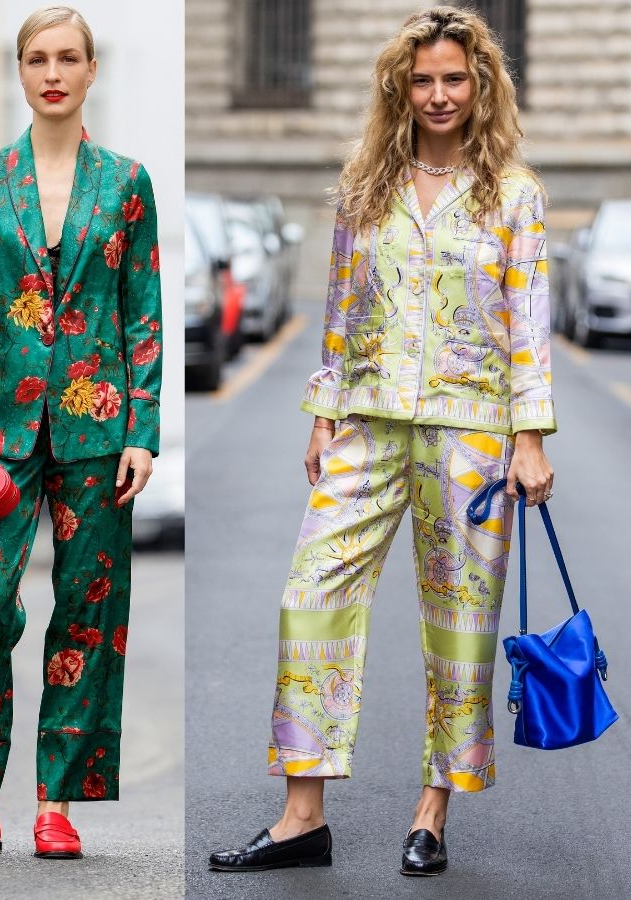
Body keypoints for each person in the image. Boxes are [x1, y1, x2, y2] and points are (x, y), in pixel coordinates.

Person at [208, 5, 554, 877]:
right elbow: (338, 311)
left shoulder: (513, 192)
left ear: (482, 86)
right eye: (424, 78)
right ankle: (302, 816)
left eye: (455, 79)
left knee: (461, 624)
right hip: (367, 419)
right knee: (311, 592)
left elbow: (529, 326)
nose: (438, 95)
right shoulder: (367, 184)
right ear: (401, 85)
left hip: (473, 434)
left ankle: (433, 811)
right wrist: (323, 413)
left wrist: (531, 436)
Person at [0, 4, 162, 862]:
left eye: (68, 58)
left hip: (99, 432)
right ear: (18, 72)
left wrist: (146, 428)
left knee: (88, 616)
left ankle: (56, 802)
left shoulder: (126, 183)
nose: (52, 72)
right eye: (36, 59)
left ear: (93, 70)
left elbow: (143, 312)